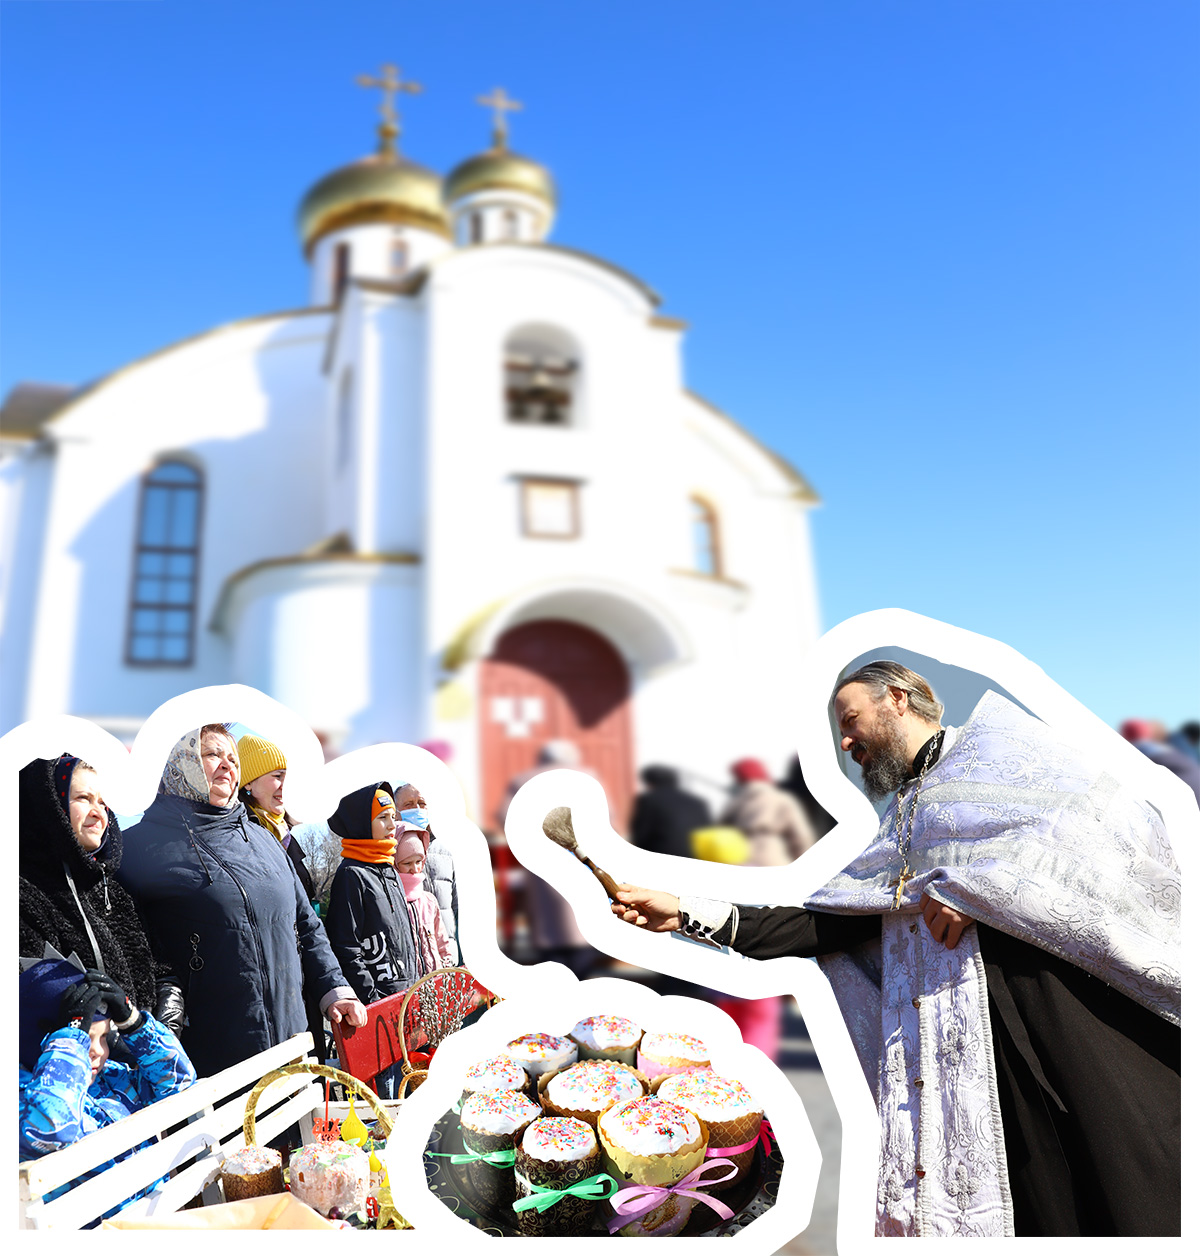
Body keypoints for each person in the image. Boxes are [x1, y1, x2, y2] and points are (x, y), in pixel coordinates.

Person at [613, 661, 1180, 1238]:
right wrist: (682, 912)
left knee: (1126, 1183)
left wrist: (976, 892)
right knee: (1041, 1208)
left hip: (1061, 1020)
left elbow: (1104, 831)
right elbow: (828, 925)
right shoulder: (903, 817)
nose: (845, 741)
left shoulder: (1007, 752)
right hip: (972, 1056)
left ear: (900, 699)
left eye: (851, 719)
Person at [118, 725, 365, 1077]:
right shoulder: (138, 849)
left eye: (232, 758)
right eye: (211, 755)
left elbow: (307, 924)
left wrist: (335, 990)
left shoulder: (264, 839)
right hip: (211, 1055)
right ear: (178, 763)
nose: (226, 765)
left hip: (290, 1040)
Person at [18, 960, 196, 1221]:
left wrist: (134, 1024)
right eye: (84, 1039)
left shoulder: (111, 1077)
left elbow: (178, 1083)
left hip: (156, 1217)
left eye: (104, 1038)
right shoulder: (25, 1095)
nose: (99, 1051)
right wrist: (70, 1039)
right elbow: (51, 1126)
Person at [19, 755, 182, 1035]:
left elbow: (162, 972)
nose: (98, 812)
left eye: (104, 803)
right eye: (84, 798)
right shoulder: (22, 893)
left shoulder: (114, 891)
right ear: (48, 805)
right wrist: (111, 1042)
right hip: (72, 1068)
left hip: (142, 1062)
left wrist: (160, 1032)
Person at [236, 732, 331, 1060]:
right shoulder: (246, 837)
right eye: (277, 777)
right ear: (248, 783)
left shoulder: (287, 836)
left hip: (303, 981)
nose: (285, 786)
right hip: (274, 989)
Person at [721, 757, 817, 866]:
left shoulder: (736, 802)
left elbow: (721, 830)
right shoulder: (783, 799)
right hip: (773, 858)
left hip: (739, 858)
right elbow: (801, 837)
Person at [394, 826, 456, 971]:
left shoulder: (429, 900)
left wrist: (446, 966)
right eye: (407, 863)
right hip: (410, 984)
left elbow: (442, 942)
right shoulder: (393, 901)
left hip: (436, 978)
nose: (414, 869)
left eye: (418, 861)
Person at [629, 765, 712, 860]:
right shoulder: (698, 802)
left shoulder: (649, 800)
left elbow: (641, 834)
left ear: (650, 782)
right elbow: (708, 831)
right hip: (696, 856)